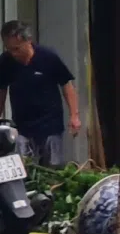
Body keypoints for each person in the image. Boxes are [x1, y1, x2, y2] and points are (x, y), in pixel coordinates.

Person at [0, 21, 80, 164]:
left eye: (17, 49)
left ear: (28, 41)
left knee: (52, 168)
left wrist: (74, 115)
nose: (14, 54)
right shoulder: (6, 62)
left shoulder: (48, 57)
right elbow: (1, 90)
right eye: (9, 49)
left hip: (50, 124)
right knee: (24, 167)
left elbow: (66, 84)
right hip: (22, 126)